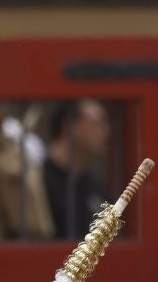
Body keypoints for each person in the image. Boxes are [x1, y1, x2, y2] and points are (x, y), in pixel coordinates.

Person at [43, 100, 113, 238]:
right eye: (96, 123)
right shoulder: (39, 178)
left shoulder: (96, 186)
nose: (106, 131)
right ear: (69, 126)